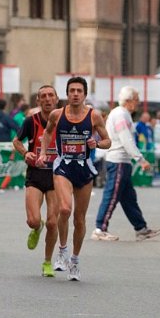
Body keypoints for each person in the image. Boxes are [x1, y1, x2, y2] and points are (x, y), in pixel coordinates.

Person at [38, 77, 112, 281]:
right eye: (72, 90)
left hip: (84, 169)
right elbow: (47, 133)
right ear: (67, 93)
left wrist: (96, 143)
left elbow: (108, 141)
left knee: (79, 220)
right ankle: (61, 250)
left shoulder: (94, 116)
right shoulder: (57, 114)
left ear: (85, 94)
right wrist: (44, 153)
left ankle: (75, 260)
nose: (75, 94)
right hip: (62, 167)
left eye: (79, 90)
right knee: (64, 209)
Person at [91, 86, 160, 242]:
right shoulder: (121, 115)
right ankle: (100, 228)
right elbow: (126, 139)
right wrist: (141, 159)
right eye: (136, 100)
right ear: (129, 101)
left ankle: (141, 228)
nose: (138, 103)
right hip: (118, 160)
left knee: (129, 197)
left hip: (121, 160)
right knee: (112, 195)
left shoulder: (121, 113)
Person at [11, 85, 60, 277]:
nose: (47, 99)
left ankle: (47, 262)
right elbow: (16, 141)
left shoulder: (64, 121)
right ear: (38, 101)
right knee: (32, 221)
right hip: (36, 175)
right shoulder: (31, 121)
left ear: (56, 99)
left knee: (53, 222)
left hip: (57, 176)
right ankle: (36, 227)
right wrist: (26, 152)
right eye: (43, 96)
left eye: (51, 95)